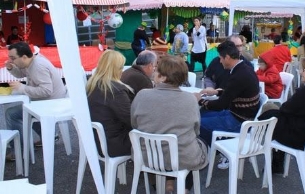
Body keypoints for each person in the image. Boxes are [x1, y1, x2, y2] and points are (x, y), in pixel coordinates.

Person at [131, 55, 208, 194]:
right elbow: (195, 131)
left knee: (168, 145)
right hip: (181, 156)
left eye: (156, 70)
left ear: (162, 76)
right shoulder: (190, 100)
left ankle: (169, 184)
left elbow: (134, 124)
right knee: (195, 144)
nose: (154, 72)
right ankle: (183, 188)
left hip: (147, 155)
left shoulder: (142, 95)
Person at [5, 42, 68, 156]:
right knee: (26, 108)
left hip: (52, 103)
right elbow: (20, 74)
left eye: (13, 58)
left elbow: (46, 91)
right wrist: (11, 68)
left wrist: (23, 88)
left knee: (12, 114)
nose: (11, 61)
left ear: (24, 57)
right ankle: (49, 135)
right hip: (50, 100)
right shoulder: (30, 61)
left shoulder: (38, 66)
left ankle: (20, 151)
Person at [197, 41, 260, 147]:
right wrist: (217, 91)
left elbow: (220, 105)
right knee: (201, 113)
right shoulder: (243, 68)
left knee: (197, 123)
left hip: (239, 121)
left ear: (227, 57)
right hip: (241, 115)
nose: (220, 61)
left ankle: (214, 149)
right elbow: (234, 92)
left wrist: (199, 100)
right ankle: (215, 147)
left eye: (220, 58)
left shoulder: (239, 75)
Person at [87, 50, 134, 157]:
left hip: (94, 140)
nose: (122, 71)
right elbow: (131, 120)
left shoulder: (92, 84)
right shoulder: (115, 90)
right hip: (114, 144)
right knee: (152, 137)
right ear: (115, 69)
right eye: (121, 67)